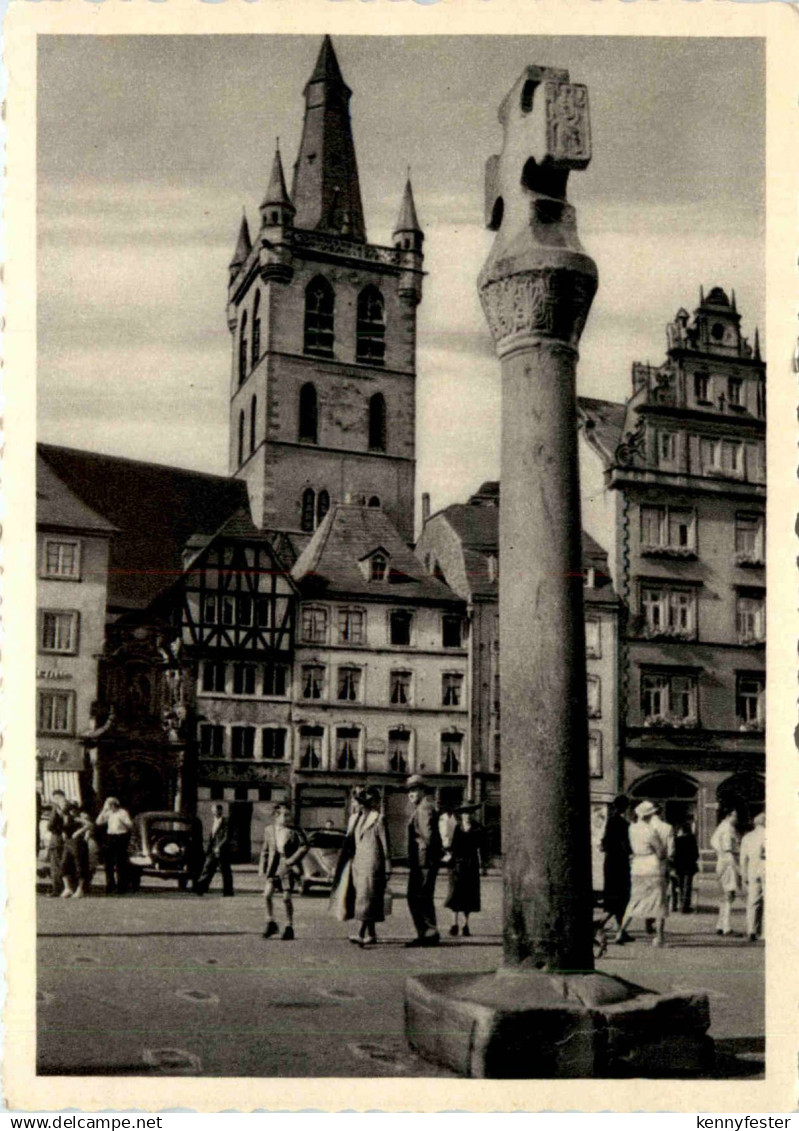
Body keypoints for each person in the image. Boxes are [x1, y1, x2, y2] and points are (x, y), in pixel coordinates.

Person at [614, 800, 670, 948]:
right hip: (652, 868)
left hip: (637, 867)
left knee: (634, 901)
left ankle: (620, 931)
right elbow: (661, 853)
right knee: (659, 903)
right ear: (650, 815)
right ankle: (659, 937)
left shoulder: (632, 828)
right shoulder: (650, 831)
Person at [258, 802, 308, 940]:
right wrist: (262, 867)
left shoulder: (295, 830)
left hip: (288, 867)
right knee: (267, 895)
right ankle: (270, 922)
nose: (287, 818)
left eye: (289, 815)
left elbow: (305, 846)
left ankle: (289, 926)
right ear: (276, 816)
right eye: (284, 815)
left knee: (286, 898)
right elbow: (265, 849)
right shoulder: (269, 830)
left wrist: (292, 860)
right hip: (274, 867)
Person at [349, 786, 391, 947]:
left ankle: (360, 933)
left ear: (363, 804)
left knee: (366, 898)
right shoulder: (357, 819)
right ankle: (371, 934)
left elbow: (386, 844)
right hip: (359, 863)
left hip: (374, 863)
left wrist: (388, 866)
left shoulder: (378, 819)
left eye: (356, 802)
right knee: (368, 897)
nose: (354, 804)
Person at [405, 774, 442, 947]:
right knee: (419, 896)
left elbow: (428, 836)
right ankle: (426, 932)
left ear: (421, 790)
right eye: (409, 791)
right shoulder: (423, 807)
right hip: (423, 860)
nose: (410, 794)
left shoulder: (424, 808)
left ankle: (428, 933)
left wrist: (422, 846)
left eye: (413, 790)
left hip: (424, 861)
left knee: (419, 896)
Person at [444, 804, 483, 937]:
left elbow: (483, 846)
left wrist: (483, 864)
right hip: (457, 864)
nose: (467, 816)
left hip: (471, 864)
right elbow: (450, 845)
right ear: (461, 815)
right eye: (465, 813)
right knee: (455, 893)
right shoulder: (456, 827)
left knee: (469, 895)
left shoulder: (478, 828)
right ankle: (454, 924)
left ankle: (465, 925)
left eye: (470, 813)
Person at [600, 796, 631, 937]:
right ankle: (610, 926)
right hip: (620, 862)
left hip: (609, 862)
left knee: (613, 896)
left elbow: (603, 843)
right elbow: (626, 844)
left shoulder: (609, 821)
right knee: (622, 897)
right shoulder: (623, 823)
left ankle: (620, 928)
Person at [710, 808, 741, 937]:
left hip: (722, 862)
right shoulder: (728, 829)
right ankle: (726, 927)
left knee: (725, 896)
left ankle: (720, 924)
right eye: (735, 816)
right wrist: (738, 868)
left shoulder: (720, 828)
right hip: (729, 863)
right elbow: (729, 850)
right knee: (729, 895)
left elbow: (713, 842)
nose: (737, 818)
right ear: (728, 815)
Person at [195, 803, 234, 896]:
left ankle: (228, 891)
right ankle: (201, 888)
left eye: (216, 810)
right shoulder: (213, 822)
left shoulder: (226, 822)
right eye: (213, 810)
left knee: (225, 871)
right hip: (212, 850)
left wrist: (219, 847)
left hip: (222, 851)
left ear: (220, 811)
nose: (214, 812)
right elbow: (212, 836)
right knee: (207, 868)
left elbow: (227, 837)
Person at [739, 811, 765, 943]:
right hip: (767, 869)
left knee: (753, 901)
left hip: (753, 870)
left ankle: (751, 930)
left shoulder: (747, 837)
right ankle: (765, 932)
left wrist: (743, 875)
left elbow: (743, 858)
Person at [60, 805, 95, 898]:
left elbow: (90, 824)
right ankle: (68, 888)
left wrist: (79, 832)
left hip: (78, 843)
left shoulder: (78, 818)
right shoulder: (67, 818)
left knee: (79, 865)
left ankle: (80, 889)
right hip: (68, 842)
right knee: (64, 864)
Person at [46, 790, 72, 898]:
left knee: (56, 863)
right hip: (63, 837)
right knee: (60, 862)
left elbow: (51, 825)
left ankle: (57, 888)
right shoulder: (68, 806)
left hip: (57, 836)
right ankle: (63, 887)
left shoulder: (58, 807)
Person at [672, 821, 700, 913]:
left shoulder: (677, 840)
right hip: (689, 865)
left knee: (679, 885)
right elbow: (696, 854)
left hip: (679, 865)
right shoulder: (692, 839)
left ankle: (679, 903)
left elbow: (674, 853)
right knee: (687, 886)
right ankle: (685, 905)